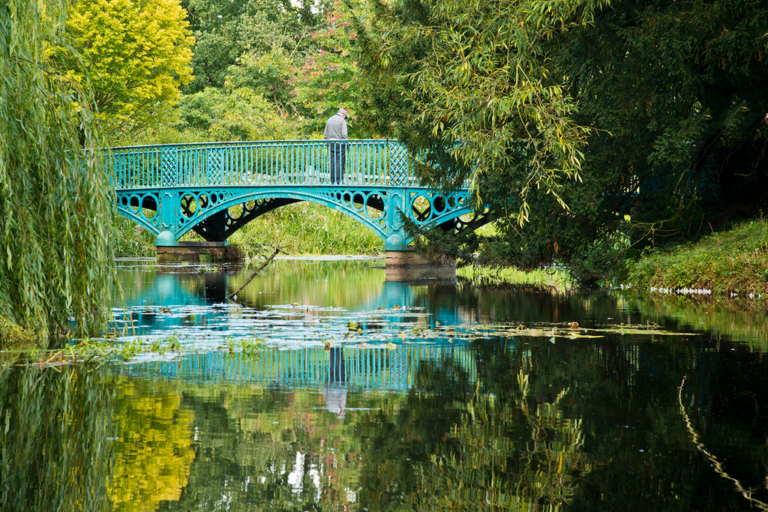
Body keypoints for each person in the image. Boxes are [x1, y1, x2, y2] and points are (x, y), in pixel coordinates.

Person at [323, 108, 348, 184]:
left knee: (332, 162)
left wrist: (327, 143)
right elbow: (344, 134)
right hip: (340, 144)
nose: (345, 118)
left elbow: (325, 135)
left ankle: (332, 180)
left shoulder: (329, 120)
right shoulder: (342, 121)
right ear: (343, 115)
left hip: (331, 144)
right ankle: (338, 181)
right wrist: (346, 144)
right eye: (345, 117)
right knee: (339, 162)